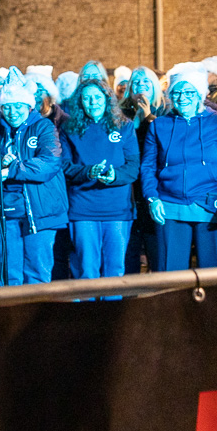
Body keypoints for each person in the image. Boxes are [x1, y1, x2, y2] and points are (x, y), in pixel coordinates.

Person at [141, 63, 217, 271]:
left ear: (199, 93)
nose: (182, 97)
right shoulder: (158, 125)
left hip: (211, 205)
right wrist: (151, 198)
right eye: (176, 92)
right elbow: (148, 166)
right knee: (171, 277)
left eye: (189, 91)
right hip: (170, 207)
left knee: (214, 276)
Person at [0, 67, 68, 285]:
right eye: (7, 107)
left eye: (18, 106)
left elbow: (50, 162)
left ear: (28, 106)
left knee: (37, 271)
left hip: (39, 210)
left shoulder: (43, 127)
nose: (12, 112)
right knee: (9, 274)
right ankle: (11, 316)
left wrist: (13, 169)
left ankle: (37, 316)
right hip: (4, 210)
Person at [60, 79, 138, 281]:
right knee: (87, 270)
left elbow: (133, 167)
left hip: (117, 209)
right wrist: (88, 172)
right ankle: (88, 312)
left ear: (107, 98)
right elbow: (65, 166)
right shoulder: (69, 129)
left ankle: (111, 311)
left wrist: (114, 176)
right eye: (87, 98)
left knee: (115, 270)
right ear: (80, 102)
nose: (92, 102)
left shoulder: (124, 126)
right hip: (83, 208)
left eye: (97, 97)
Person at [122, 66, 167, 273]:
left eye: (146, 82)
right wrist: (137, 119)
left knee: (157, 247)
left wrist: (149, 116)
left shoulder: (166, 111)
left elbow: (166, 143)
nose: (141, 86)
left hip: (157, 186)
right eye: (137, 83)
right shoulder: (120, 114)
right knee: (130, 248)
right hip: (129, 188)